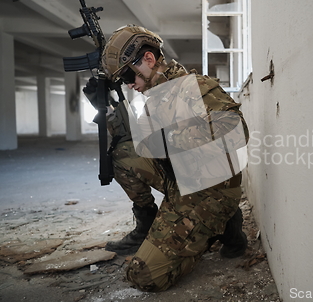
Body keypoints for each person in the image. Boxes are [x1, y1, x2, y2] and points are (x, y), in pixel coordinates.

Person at [86, 24, 249, 292]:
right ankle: (150, 225)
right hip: (180, 179)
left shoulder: (195, 87)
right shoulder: (154, 99)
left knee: (144, 276)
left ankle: (220, 225)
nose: (129, 84)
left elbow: (235, 132)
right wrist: (107, 109)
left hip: (209, 190)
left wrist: (171, 139)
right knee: (123, 155)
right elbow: (135, 142)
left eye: (128, 75)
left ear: (148, 59)